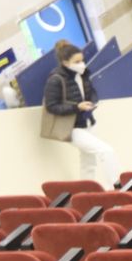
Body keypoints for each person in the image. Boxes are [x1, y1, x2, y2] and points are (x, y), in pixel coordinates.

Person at [43, 41, 116, 186]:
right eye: (77, 61)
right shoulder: (55, 80)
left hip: (88, 123)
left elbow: (91, 93)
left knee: (88, 161)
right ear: (65, 62)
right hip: (71, 127)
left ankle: (86, 193)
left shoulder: (83, 74)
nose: (82, 64)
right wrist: (77, 107)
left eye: (82, 60)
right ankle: (118, 188)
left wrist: (92, 102)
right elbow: (51, 107)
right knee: (106, 151)